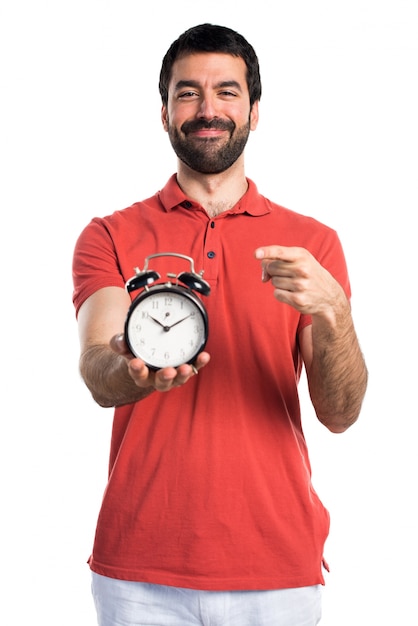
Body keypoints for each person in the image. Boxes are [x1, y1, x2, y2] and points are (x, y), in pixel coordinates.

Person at [72, 23, 368, 626]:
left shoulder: (312, 246)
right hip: (140, 572)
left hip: (278, 569)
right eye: (188, 93)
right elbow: (99, 374)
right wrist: (137, 369)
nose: (208, 110)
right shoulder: (109, 235)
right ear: (163, 113)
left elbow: (339, 413)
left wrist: (333, 310)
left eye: (227, 92)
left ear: (255, 111)